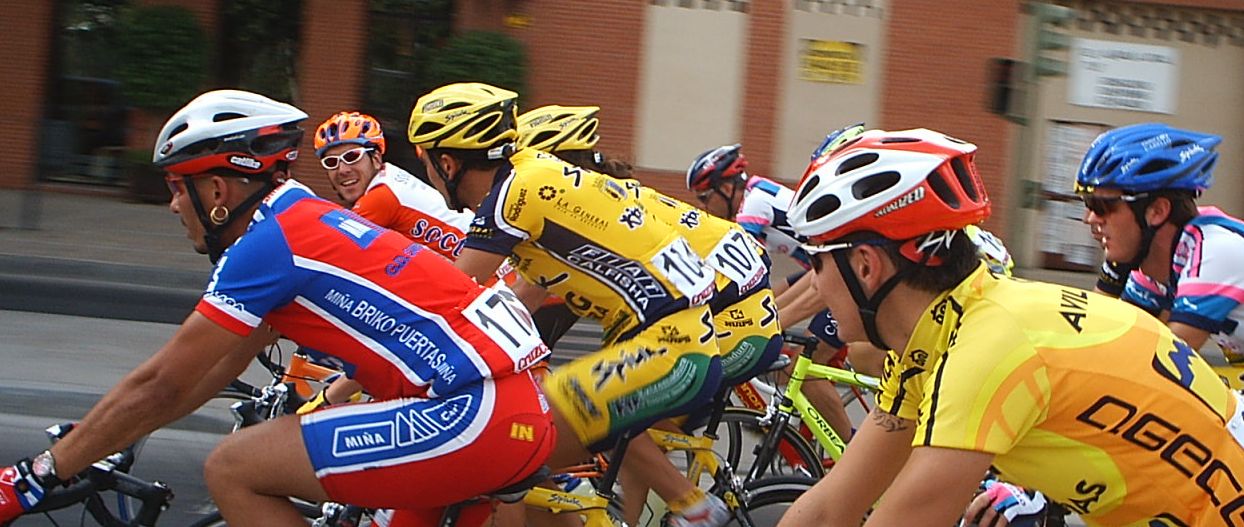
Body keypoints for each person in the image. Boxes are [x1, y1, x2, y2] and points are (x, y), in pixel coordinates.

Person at [0, 90, 555, 527]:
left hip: (472, 412)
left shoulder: (268, 245)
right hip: (512, 404)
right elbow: (216, 366)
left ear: (217, 191)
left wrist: (36, 475)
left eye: (176, 187)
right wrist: (101, 436)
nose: (171, 205)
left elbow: (162, 384)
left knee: (234, 466)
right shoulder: (302, 217)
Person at [777, 126, 1244, 527]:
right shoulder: (941, 336)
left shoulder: (986, 350)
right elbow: (829, 509)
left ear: (865, 265)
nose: (813, 283)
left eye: (817, 262)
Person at [408, 83, 728, 527]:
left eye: (424, 162)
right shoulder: (530, 174)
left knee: (504, 453)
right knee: (520, 472)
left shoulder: (509, 199)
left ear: (446, 163)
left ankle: (697, 510)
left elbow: (447, 298)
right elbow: (516, 300)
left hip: (669, 350)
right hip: (675, 343)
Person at [518, 104, 783, 525]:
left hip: (731, 325)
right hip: (732, 318)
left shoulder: (587, 209)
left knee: (602, 412)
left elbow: (525, 296)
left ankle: (695, 508)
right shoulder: (602, 197)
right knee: (625, 427)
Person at [686, 140, 865, 440]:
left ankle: (851, 446)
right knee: (770, 311)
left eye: (704, 198)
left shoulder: (753, 205)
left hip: (839, 277)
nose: (703, 207)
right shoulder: (756, 194)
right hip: (821, 272)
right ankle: (807, 427)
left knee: (801, 366)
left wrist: (764, 324)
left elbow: (735, 269)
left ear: (726, 189)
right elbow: (766, 291)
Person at [1076, 123, 1244, 366]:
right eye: (1087, 204)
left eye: (1102, 207)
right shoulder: (1159, 264)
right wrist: (1112, 276)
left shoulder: (1215, 250)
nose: (1090, 218)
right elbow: (1097, 335)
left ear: (1157, 211)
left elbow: (1163, 362)